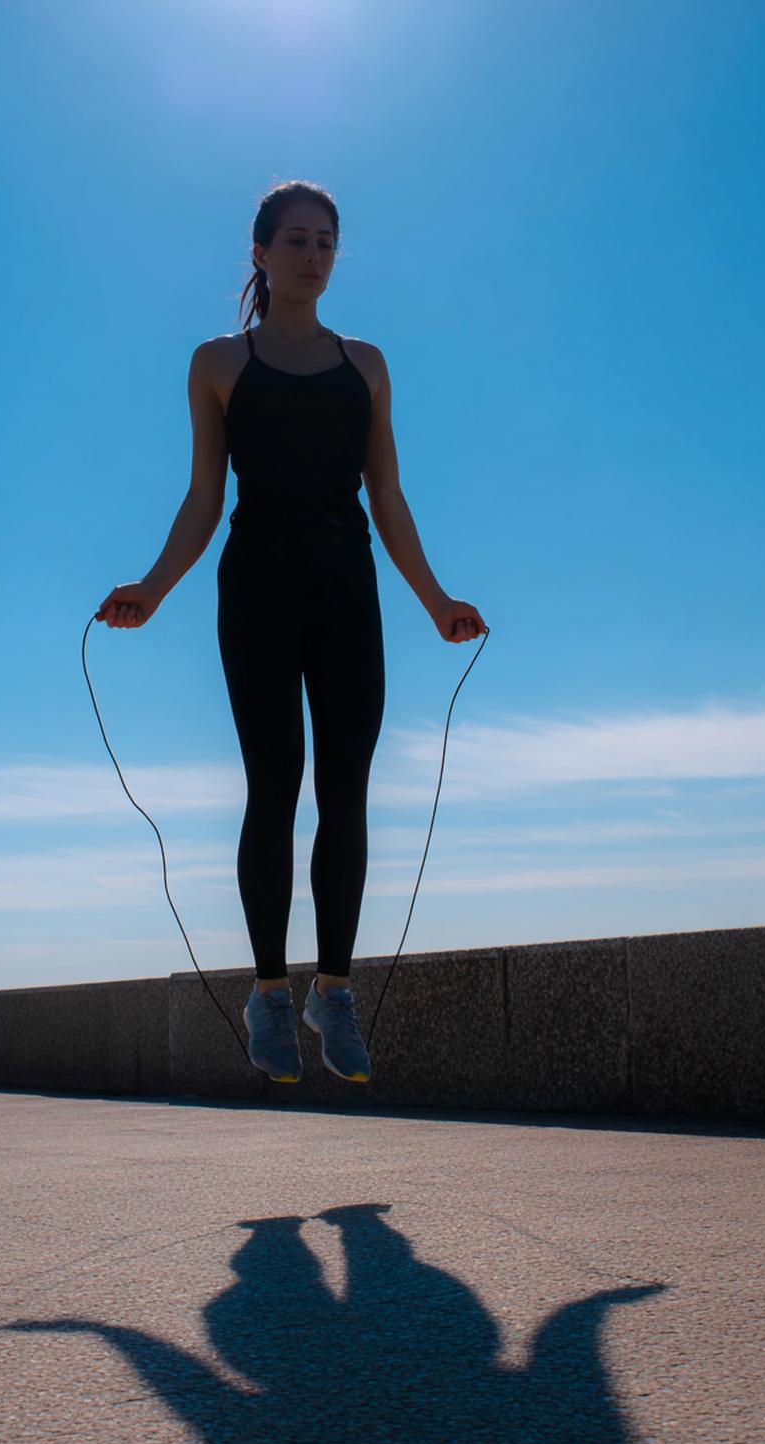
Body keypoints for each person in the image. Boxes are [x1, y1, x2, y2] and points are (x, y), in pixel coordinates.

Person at [97, 179, 487, 1087]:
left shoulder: (369, 365)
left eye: (328, 242)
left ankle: (333, 991)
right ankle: (270, 992)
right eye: (298, 240)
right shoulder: (218, 364)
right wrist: (154, 588)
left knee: (345, 790)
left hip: (347, 590)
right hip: (259, 591)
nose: (314, 255)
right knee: (274, 786)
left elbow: (386, 496)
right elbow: (205, 495)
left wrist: (434, 599)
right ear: (262, 254)